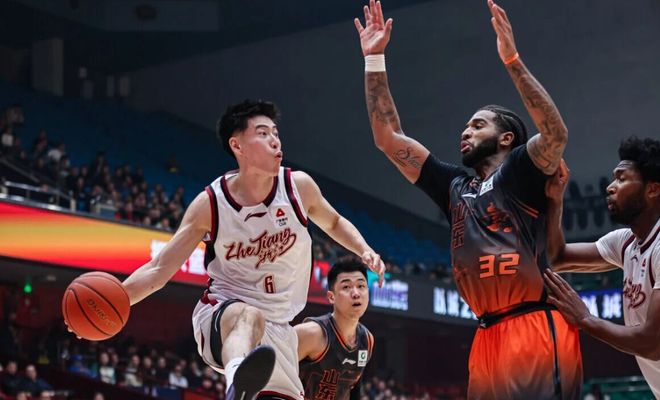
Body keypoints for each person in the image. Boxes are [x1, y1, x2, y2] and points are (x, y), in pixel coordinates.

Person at [354, 0, 580, 398]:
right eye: (466, 126)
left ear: (506, 138)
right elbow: (388, 139)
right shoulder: (455, 185)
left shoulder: (521, 172)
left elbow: (555, 134)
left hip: (531, 324)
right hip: (486, 332)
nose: (466, 131)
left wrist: (512, 60)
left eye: (478, 125)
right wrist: (374, 59)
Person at [118, 99, 385, 400]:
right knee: (249, 315)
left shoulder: (298, 187)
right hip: (224, 314)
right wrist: (116, 302)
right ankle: (237, 383)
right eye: (263, 133)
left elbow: (334, 222)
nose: (275, 140)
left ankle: (244, 385)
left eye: (276, 133)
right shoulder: (211, 204)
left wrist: (363, 248)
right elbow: (158, 270)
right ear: (237, 145)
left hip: (279, 329)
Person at [543, 137, 660, 397]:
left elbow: (652, 344)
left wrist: (586, 319)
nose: (610, 187)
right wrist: (555, 200)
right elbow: (558, 257)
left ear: (652, 189)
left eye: (621, 179)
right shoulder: (626, 242)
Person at [297, 258, 374, 400]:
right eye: (346, 287)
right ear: (331, 297)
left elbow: (354, 390)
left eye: (361, 286)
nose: (356, 293)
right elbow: (272, 372)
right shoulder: (312, 333)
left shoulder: (367, 340)